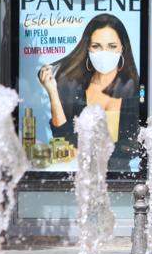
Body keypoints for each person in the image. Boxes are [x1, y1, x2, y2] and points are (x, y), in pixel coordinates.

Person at [38, 13, 140, 168]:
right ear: (88, 48)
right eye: (96, 46)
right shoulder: (75, 87)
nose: (104, 52)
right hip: (82, 178)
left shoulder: (133, 89)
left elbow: (135, 145)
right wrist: (53, 92)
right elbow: (62, 138)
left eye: (111, 46)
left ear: (122, 48)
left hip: (121, 180)